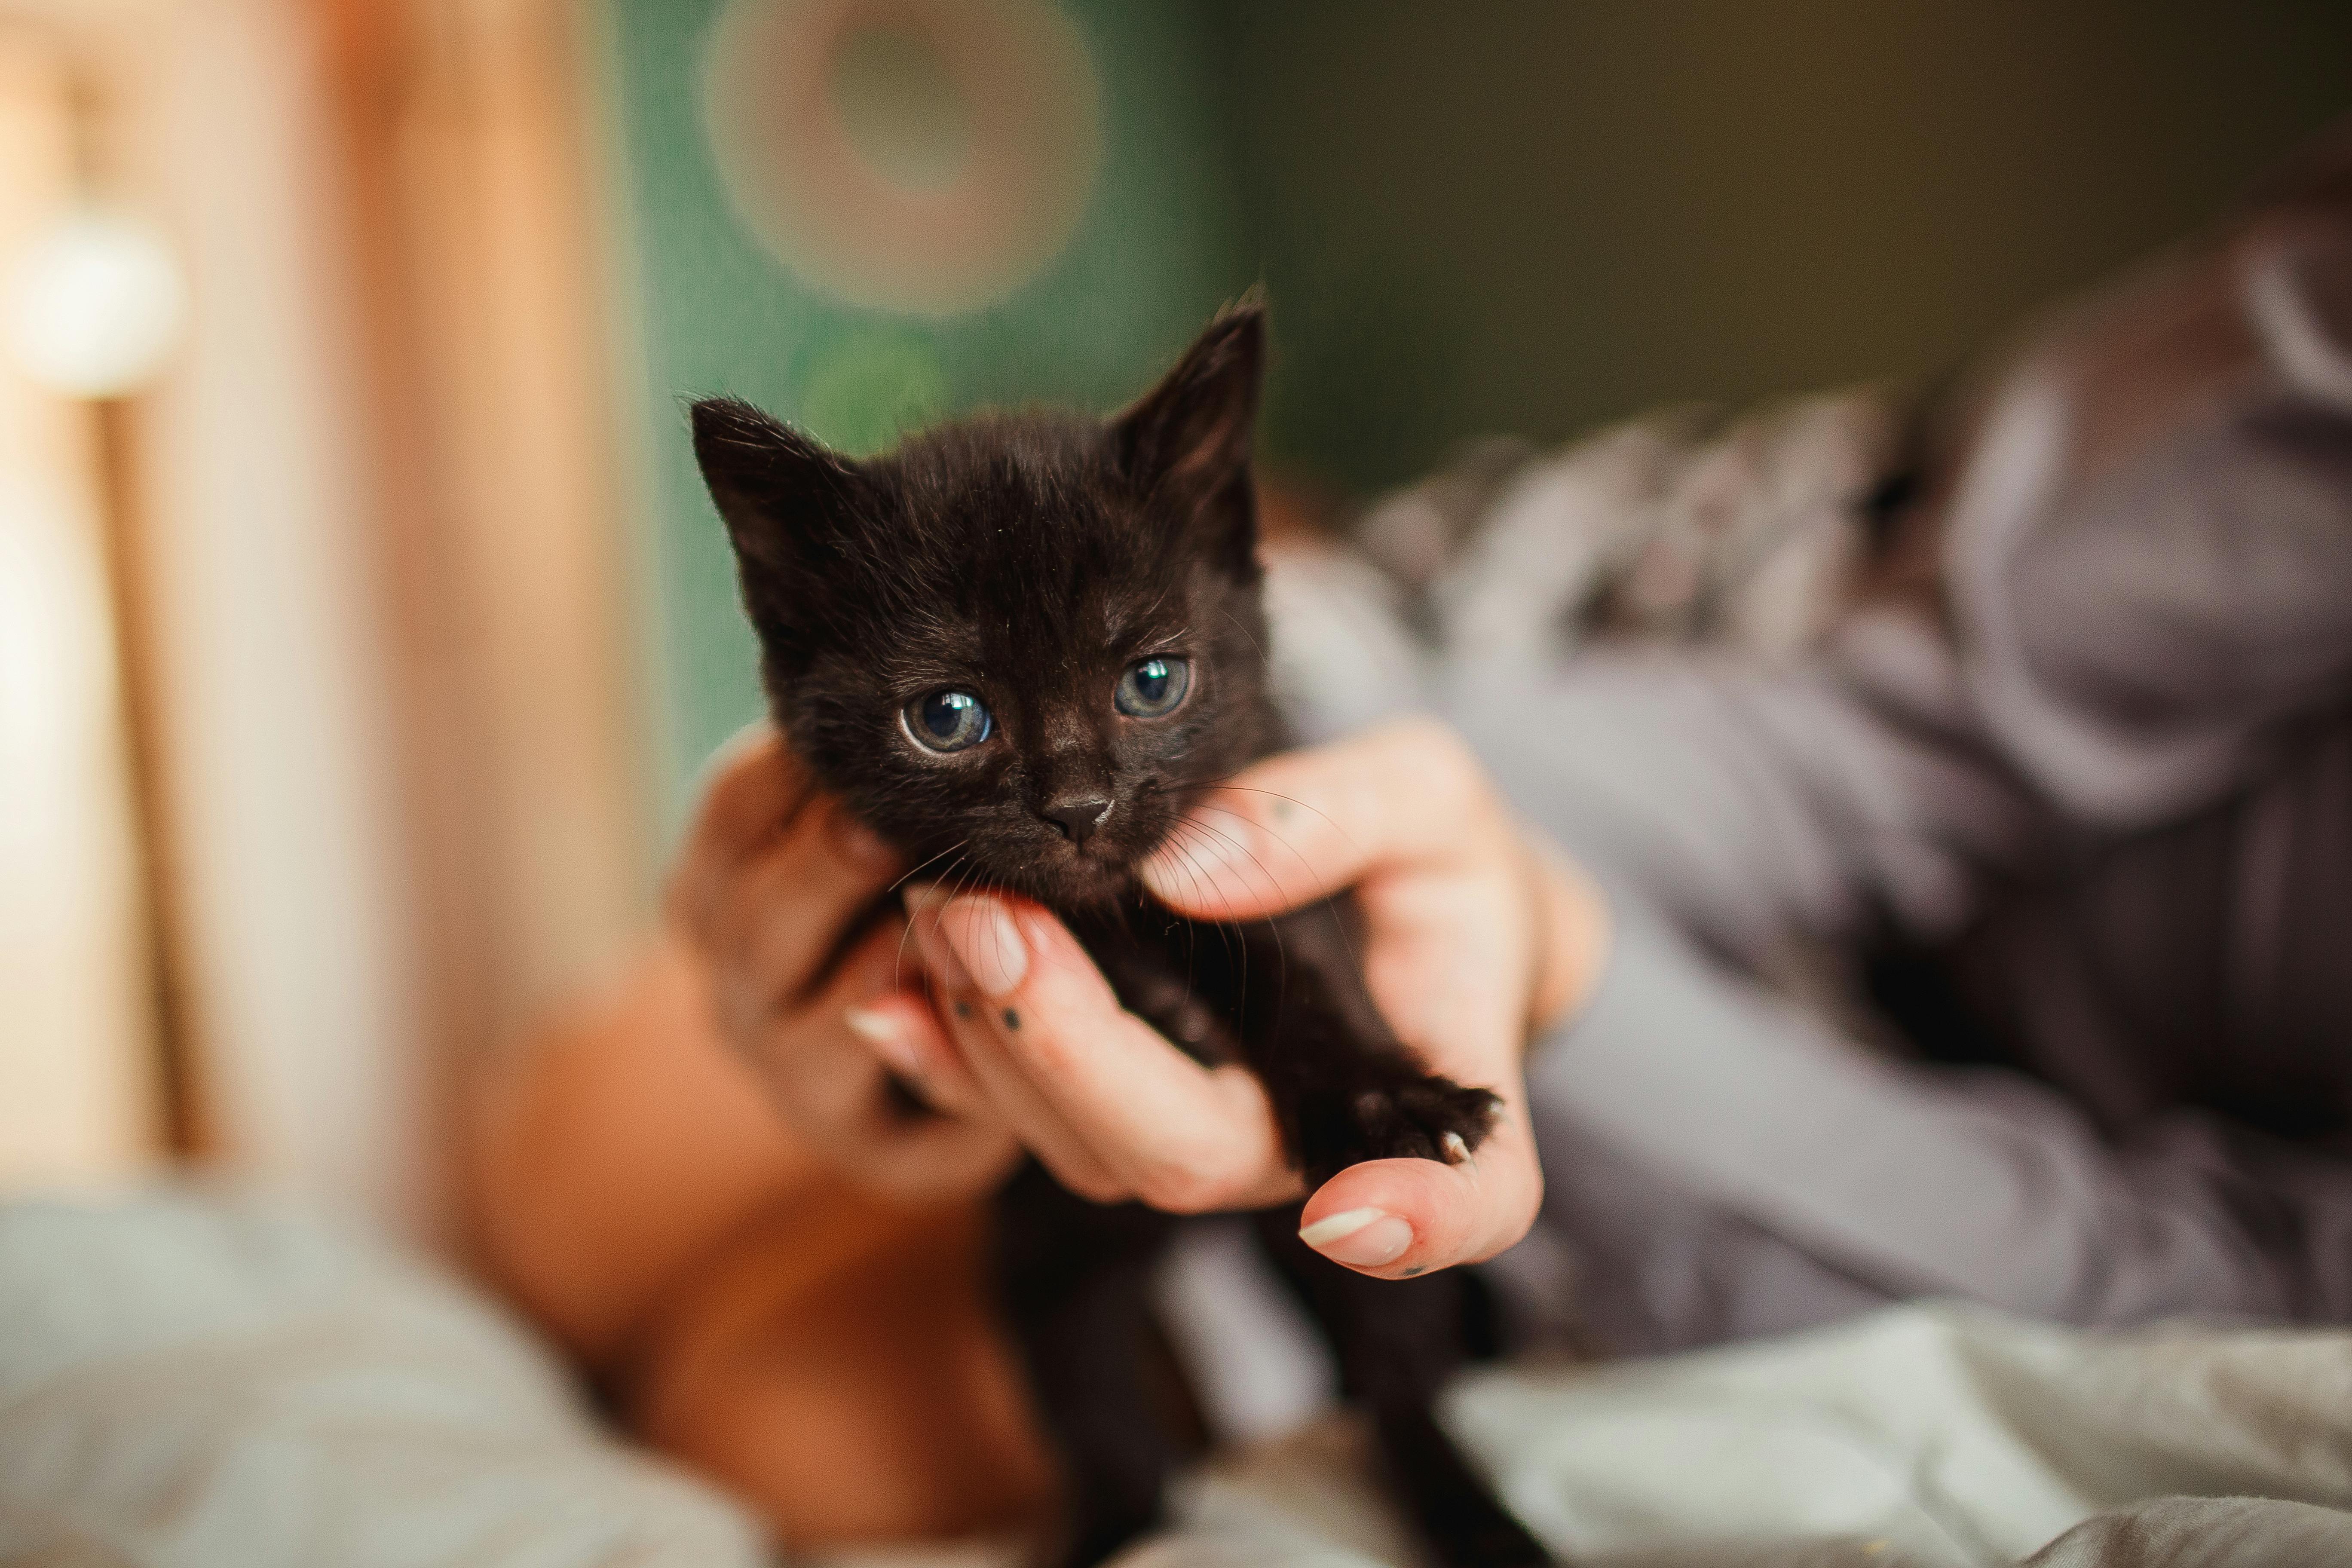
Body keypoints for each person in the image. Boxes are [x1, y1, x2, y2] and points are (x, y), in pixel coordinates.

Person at [470, 121, 2352, 1545]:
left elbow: (2213, 1305)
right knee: (565, 1176)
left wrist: (1553, 963)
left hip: (1704, 1072)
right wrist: (1380, 786)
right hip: (1578, 659)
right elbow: (1901, 723)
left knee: (763, 1424)